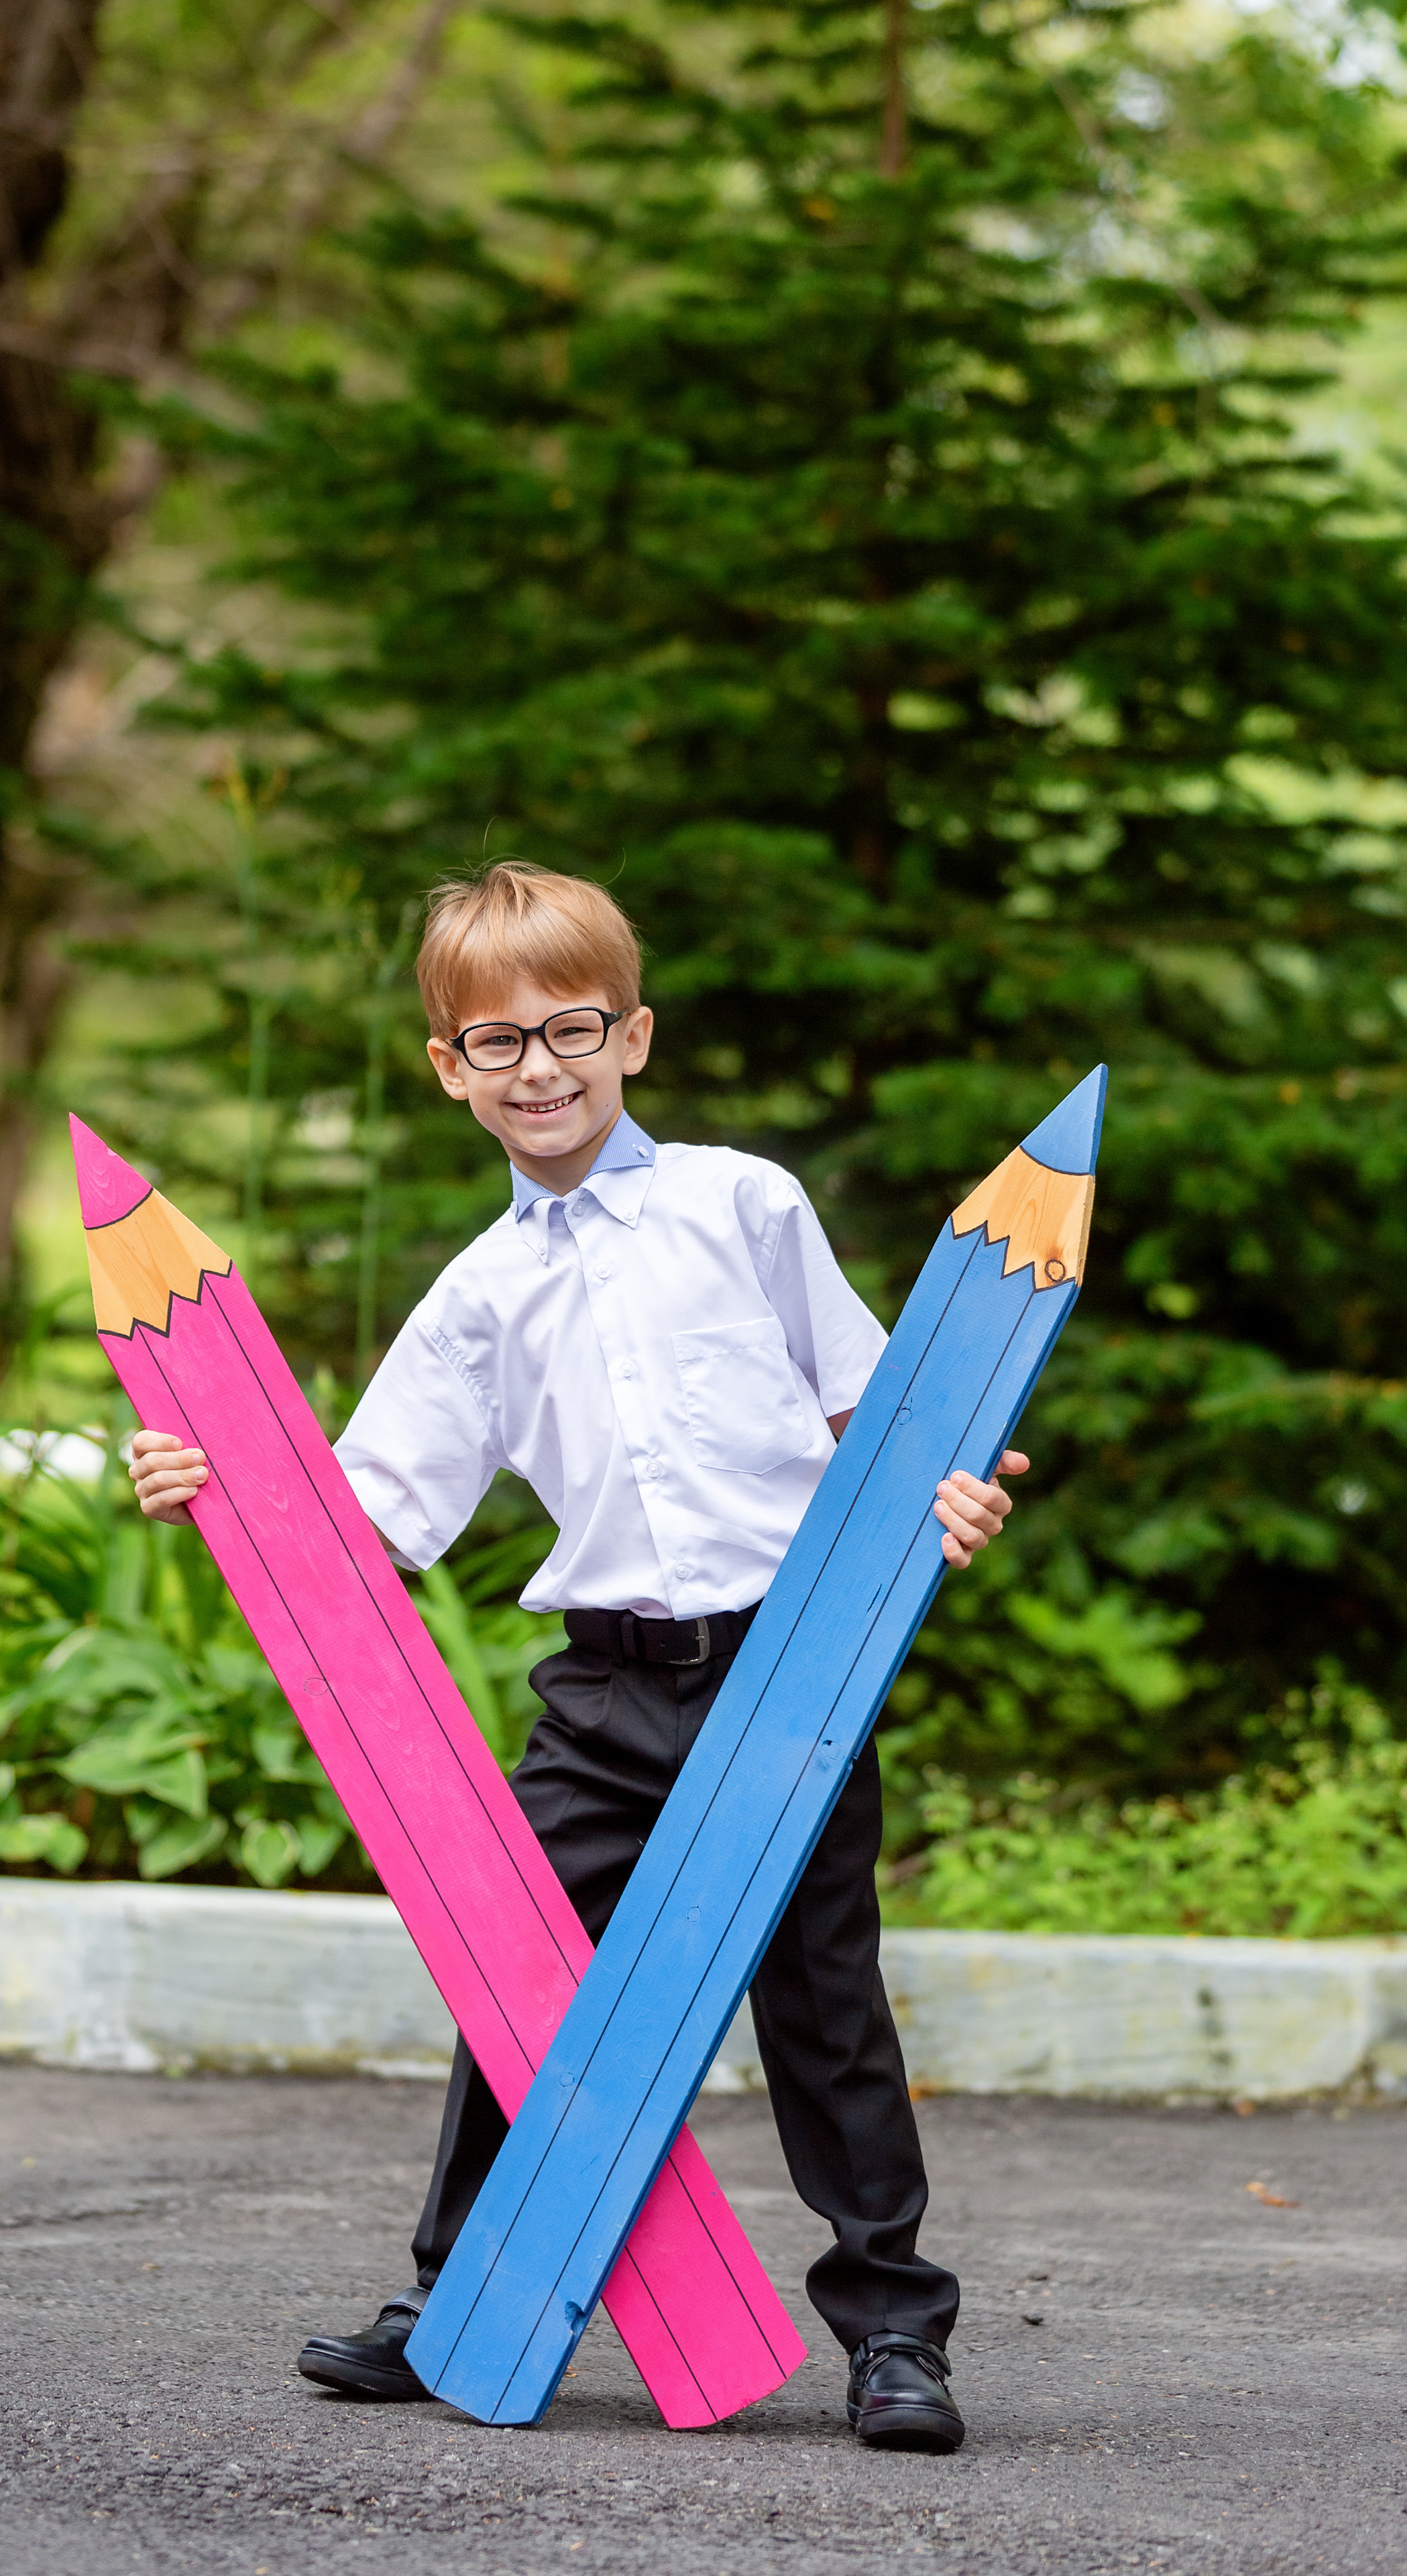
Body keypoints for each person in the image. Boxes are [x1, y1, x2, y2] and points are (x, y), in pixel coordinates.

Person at [129, 861, 1025, 2453]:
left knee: (823, 2003)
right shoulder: (477, 1297)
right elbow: (364, 1522)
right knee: (514, 1990)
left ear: (633, 1038)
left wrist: (949, 1496)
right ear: (448, 1071)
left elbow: (874, 1417)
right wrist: (210, 1483)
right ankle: (460, 2295)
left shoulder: (743, 1206)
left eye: (571, 1030)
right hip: (606, 1693)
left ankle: (894, 2329)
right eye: (496, 1043)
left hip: (787, 1675)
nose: (537, 1068)